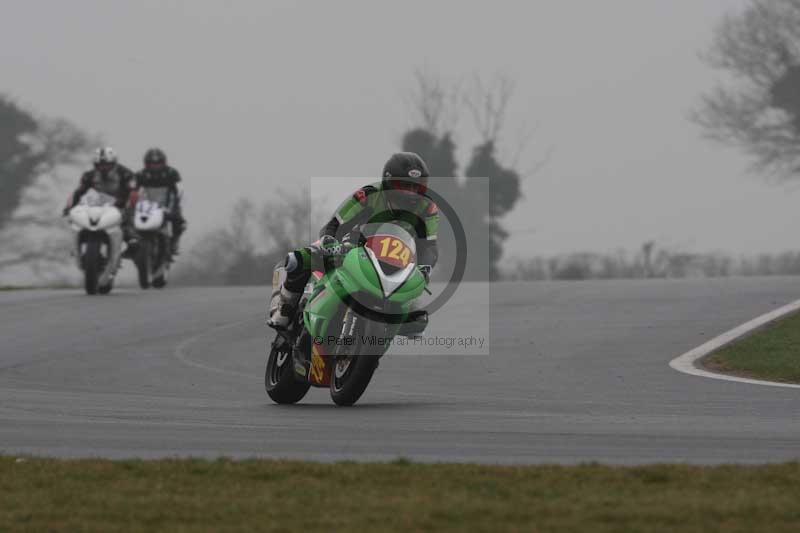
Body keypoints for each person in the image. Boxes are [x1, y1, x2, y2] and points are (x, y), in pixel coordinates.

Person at [267, 152, 439, 329]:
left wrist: (425, 268)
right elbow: (335, 224)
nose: (411, 193)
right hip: (351, 247)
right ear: (388, 182)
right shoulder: (368, 195)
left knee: (416, 316)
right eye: (403, 186)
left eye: (417, 187)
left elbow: (429, 246)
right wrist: (329, 242)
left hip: (395, 261)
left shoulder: (427, 207)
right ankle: (284, 308)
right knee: (299, 259)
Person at [64, 147, 136, 244]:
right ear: (95, 165)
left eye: (107, 165)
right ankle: (76, 241)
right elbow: (79, 191)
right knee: (76, 219)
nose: (103, 169)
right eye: (100, 165)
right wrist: (70, 207)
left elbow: (134, 191)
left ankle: (131, 237)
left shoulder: (125, 174)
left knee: (128, 225)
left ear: (114, 163)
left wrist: (129, 205)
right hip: (98, 205)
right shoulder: (89, 175)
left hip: (121, 205)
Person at [134, 148, 186, 257]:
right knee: (128, 219)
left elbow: (179, 190)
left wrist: (175, 205)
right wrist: (133, 204)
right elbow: (133, 191)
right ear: (146, 164)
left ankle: (174, 242)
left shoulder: (172, 173)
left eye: (157, 163)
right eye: (151, 164)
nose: (155, 166)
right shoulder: (140, 174)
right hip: (146, 206)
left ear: (163, 162)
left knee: (179, 221)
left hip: (168, 204)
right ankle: (133, 242)